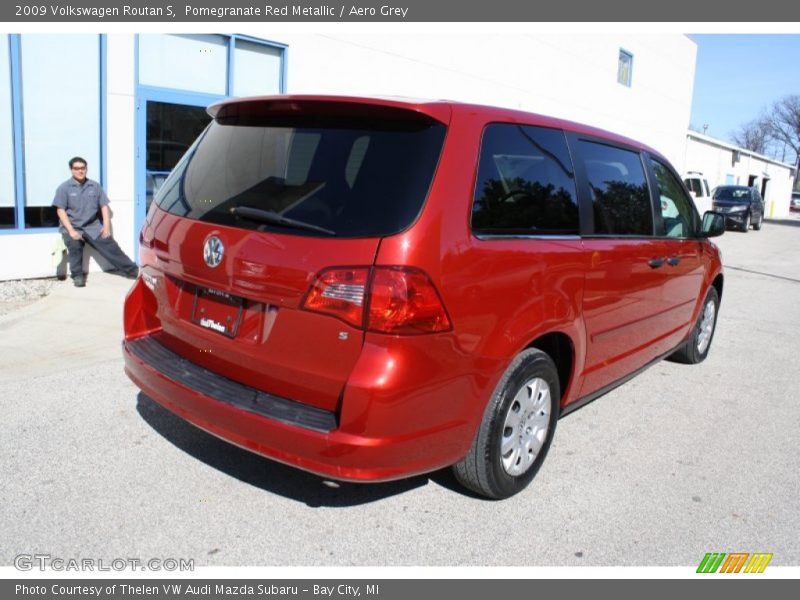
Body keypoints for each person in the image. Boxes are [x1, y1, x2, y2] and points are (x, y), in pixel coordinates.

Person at [53, 156, 139, 287]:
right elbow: (60, 210)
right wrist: (70, 231)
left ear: (86, 169)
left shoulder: (95, 186)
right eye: (76, 168)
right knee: (75, 247)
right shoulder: (64, 188)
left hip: (93, 226)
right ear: (71, 170)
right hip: (73, 227)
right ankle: (77, 276)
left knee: (111, 247)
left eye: (83, 168)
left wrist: (106, 227)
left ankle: (133, 271)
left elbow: (104, 206)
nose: (80, 171)